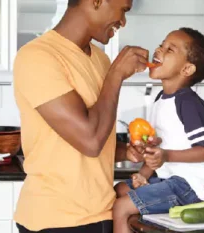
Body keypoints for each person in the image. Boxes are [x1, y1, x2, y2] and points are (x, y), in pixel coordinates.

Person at [12, 0, 161, 233]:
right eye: (123, 9)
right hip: (56, 221)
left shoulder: (100, 60)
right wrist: (117, 74)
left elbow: (93, 141)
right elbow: (90, 141)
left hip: (102, 213)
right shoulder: (37, 57)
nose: (123, 21)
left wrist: (126, 151)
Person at [113, 27, 204, 233]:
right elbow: (156, 152)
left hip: (194, 187)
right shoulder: (160, 101)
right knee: (119, 190)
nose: (159, 50)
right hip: (172, 180)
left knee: (121, 207)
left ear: (187, 69)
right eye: (161, 44)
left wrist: (165, 156)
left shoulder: (189, 103)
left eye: (170, 49)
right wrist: (143, 176)